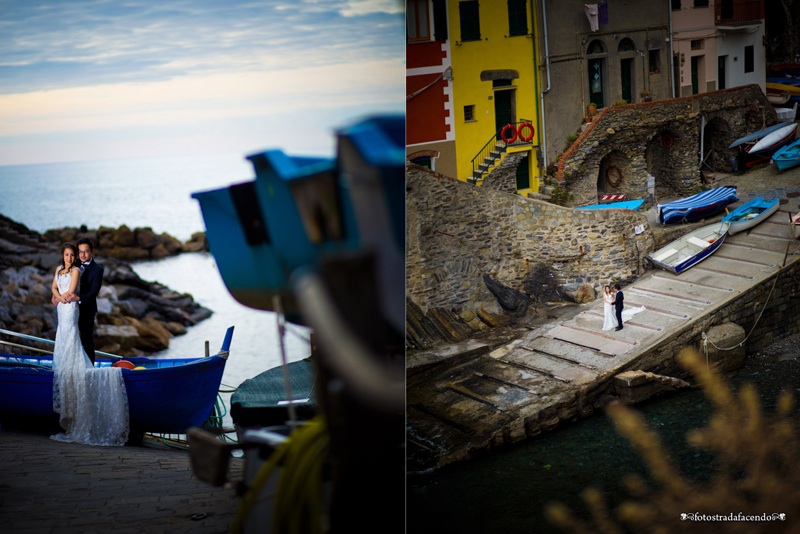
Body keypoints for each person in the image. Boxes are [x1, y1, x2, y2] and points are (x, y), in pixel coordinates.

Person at [50, 242, 128, 446]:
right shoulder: (70, 264)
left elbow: (92, 292)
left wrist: (75, 297)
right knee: (68, 341)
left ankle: (87, 373)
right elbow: (60, 283)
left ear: (92, 252)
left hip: (83, 308)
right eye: (80, 251)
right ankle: (68, 376)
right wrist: (57, 295)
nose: (82, 254)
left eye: (85, 251)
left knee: (85, 341)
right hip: (67, 308)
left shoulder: (97, 269)